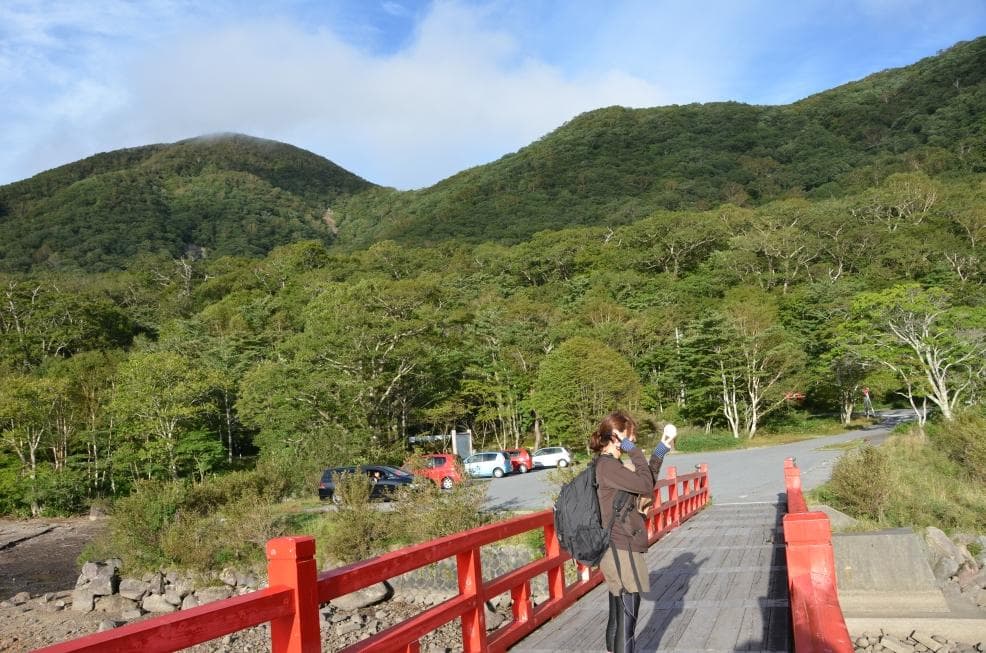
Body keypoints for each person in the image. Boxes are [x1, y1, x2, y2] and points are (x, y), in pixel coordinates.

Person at [589, 412, 676, 653]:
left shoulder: (610, 467)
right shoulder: (608, 467)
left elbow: (643, 484)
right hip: (620, 547)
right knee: (626, 619)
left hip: (616, 547)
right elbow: (645, 484)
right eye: (630, 437)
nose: (633, 439)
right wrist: (633, 450)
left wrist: (660, 452)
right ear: (617, 438)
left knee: (619, 614)